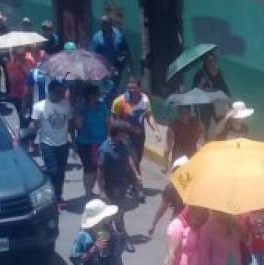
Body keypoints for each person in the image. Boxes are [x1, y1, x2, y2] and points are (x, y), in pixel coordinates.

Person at [97, 121, 142, 251]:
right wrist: (102, 192)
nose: (126, 135)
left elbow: (128, 159)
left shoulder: (122, 143)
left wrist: (136, 174)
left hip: (122, 185)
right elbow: (100, 171)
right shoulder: (105, 149)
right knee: (108, 217)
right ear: (118, 133)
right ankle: (103, 242)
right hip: (110, 188)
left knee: (119, 214)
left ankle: (121, 239)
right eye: (124, 133)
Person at [31, 80, 72, 206]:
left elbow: (70, 123)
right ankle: (52, 198)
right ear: (50, 92)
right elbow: (35, 125)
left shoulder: (66, 105)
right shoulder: (39, 106)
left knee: (60, 172)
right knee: (53, 171)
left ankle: (58, 196)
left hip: (63, 143)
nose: (61, 95)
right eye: (58, 92)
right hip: (48, 144)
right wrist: (33, 142)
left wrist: (72, 140)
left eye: (62, 92)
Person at [110, 77, 160, 172]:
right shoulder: (119, 101)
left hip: (139, 135)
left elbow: (149, 115)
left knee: (137, 158)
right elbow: (113, 120)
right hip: (124, 135)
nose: (131, 90)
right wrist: (113, 136)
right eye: (129, 88)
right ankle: (135, 179)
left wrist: (156, 130)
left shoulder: (145, 99)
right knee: (130, 157)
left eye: (134, 88)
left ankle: (131, 175)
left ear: (139, 88)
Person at [74, 84, 109, 198]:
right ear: (89, 96)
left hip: (101, 143)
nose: (97, 98)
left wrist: (109, 139)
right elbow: (78, 126)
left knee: (98, 168)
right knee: (89, 169)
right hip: (86, 143)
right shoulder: (82, 108)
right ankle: (88, 193)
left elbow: (108, 123)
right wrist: (78, 111)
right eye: (95, 96)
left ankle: (97, 189)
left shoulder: (102, 106)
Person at [89, 15, 130, 99]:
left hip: (118, 67)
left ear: (111, 24)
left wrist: (119, 65)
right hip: (104, 69)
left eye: (107, 23)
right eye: (103, 23)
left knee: (117, 88)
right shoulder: (97, 39)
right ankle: (108, 107)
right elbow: (93, 56)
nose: (105, 25)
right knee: (109, 88)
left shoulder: (118, 35)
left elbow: (125, 50)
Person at [149, 156, 188, 236]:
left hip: (182, 193)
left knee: (177, 214)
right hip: (174, 190)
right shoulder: (171, 188)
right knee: (165, 206)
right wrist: (154, 225)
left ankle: (174, 231)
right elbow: (163, 207)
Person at [193, 52, 230, 133]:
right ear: (205, 62)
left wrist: (228, 100)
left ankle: (220, 143)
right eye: (209, 61)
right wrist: (201, 84)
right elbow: (195, 92)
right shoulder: (199, 74)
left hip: (217, 104)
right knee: (203, 129)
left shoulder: (218, 73)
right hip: (204, 106)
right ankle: (204, 144)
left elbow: (223, 87)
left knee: (222, 126)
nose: (212, 63)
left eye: (213, 60)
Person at [165, 106, 204, 170]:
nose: (184, 115)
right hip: (178, 157)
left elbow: (201, 141)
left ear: (189, 113)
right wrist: (165, 164)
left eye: (186, 113)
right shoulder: (174, 125)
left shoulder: (196, 124)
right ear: (179, 114)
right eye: (182, 113)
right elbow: (168, 146)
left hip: (191, 157)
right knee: (176, 177)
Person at [4, 48, 32, 126]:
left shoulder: (29, 61)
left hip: (28, 92)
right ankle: (23, 128)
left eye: (23, 54)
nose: (21, 56)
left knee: (30, 113)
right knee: (21, 114)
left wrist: (22, 68)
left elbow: (32, 77)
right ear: (14, 55)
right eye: (19, 55)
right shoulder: (10, 65)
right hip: (17, 94)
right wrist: (16, 68)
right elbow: (12, 81)